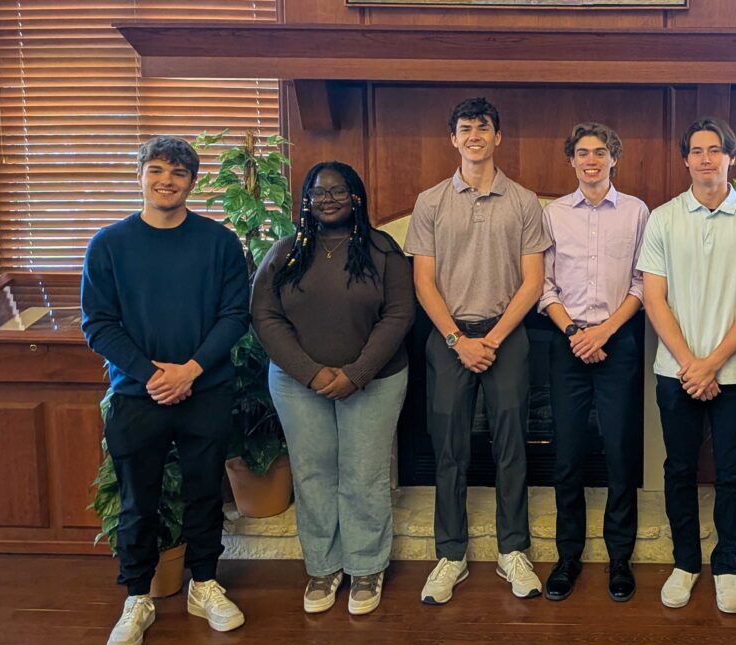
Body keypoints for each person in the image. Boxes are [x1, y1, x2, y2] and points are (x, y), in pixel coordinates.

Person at [82, 135, 249, 645]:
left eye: (178, 173)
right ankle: (137, 597)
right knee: (138, 503)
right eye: (156, 170)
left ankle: (204, 584)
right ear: (140, 175)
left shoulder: (219, 243)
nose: (166, 180)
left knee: (205, 493)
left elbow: (235, 316)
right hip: (136, 395)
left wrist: (191, 371)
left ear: (192, 182)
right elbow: (99, 324)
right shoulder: (108, 245)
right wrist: (152, 373)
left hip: (206, 389)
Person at [404, 96, 550, 604]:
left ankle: (514, 551)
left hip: (507, 336)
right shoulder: (430, 202)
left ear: (497, 137)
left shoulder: (524, 201)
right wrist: (457, 341)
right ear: (453, 138)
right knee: (450, 450)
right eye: (465, 127)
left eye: (483, 127)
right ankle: (451, 554)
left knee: (512, 446)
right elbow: (423, 281)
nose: (474, 136)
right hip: (448, 338)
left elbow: (534, 282)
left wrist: (491, 339)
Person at [251, 161, 414, 616]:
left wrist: (356, 373)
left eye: (337, 191)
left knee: (364, 475)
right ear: (306, 200)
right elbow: (265, 316)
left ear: (356, 197)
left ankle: (365, 566)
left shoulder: (383, 251)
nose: (327, 199)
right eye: (318, 192)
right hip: (297, 383)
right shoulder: (284, 252)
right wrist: (311, 372)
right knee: (313, 473)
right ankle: (323, 566)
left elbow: (399, 315)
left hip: (375, 381)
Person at [636, 117, 736, 615]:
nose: (705, 158)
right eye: (696, 150)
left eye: (714, 150)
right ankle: (685, 563)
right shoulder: (663, 218)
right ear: (685, 160)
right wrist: (690, 364)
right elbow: (654, 299)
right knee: (678, 469)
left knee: (732, 474)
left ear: (730, 158)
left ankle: (727, 566)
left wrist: (711, 364)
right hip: (676, 372)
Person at [538, 122, 648, 602]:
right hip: (567, 341)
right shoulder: (553, 214)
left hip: (618, 340)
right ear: (571, 160)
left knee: (622, 453)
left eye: (600, 152)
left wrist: (603, 332)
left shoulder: (637, 212)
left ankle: (619, 558)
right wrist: (576, 334)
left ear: (613, 158)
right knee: (567, 454)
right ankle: (568, 556)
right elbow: (543, 286)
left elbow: (644, 283)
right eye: (582, 152)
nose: (591, 160)